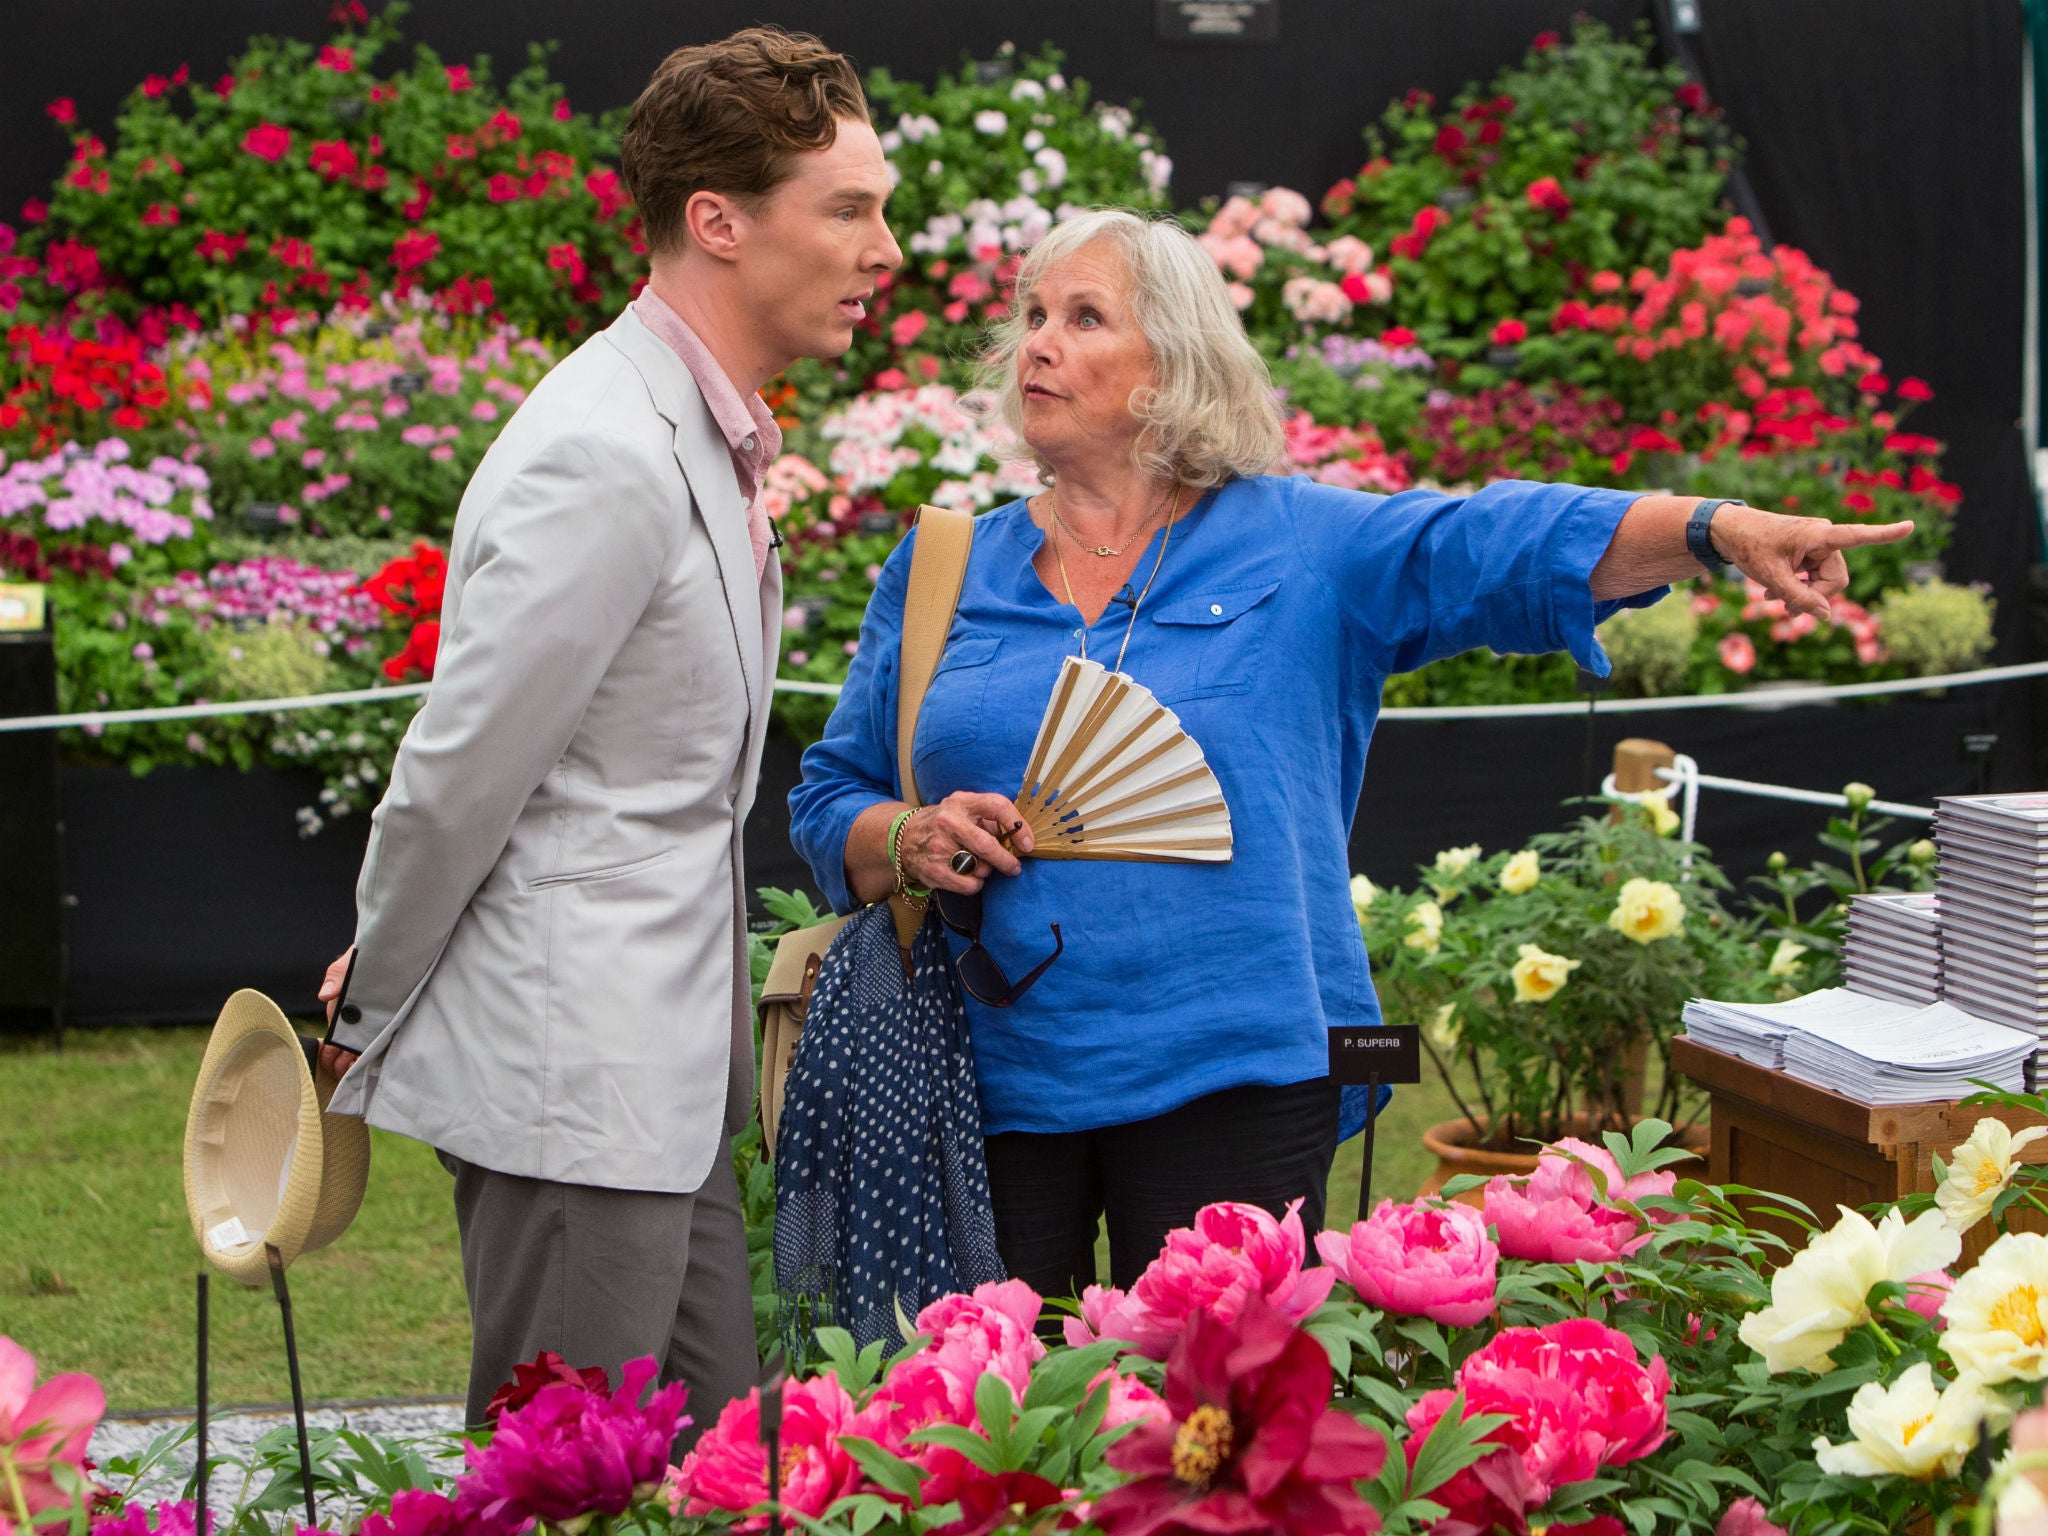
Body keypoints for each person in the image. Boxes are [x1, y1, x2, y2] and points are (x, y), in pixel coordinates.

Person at [788, 208, 1910, 1302]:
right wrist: (907, 832)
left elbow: (1499, 541)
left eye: (1083, 317)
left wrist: (1715, 528)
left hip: (1232, 1078)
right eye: (1032, 313)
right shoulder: (944, 568)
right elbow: (831, 790)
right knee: (990, 1441)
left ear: (1171, 366)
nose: (1036, 340)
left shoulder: (1300, 543)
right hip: (978, 1078)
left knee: (1213, 1438)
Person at [315, 27, 902, 1432]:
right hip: (575, 1083)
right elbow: (461, 770)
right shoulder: (603, 447)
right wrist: (372, 1005)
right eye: (848, 208)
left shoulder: (693, 426)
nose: (886, 248)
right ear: (717, 223)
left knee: (701, 1476)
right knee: (566, 1482)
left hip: (660, 1078)